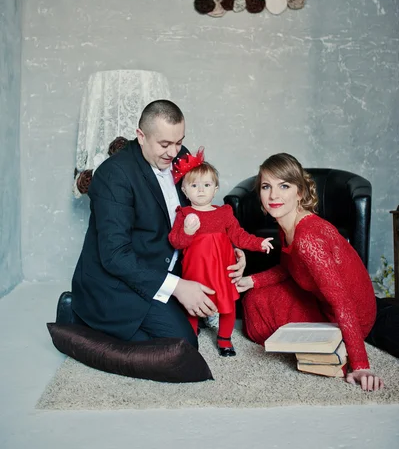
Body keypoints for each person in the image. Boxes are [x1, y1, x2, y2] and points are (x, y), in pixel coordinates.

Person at [71, 100, 245, 349]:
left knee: (229, 305)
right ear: (141, 136)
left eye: (179, 141)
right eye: (164, 144)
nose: (174, 153)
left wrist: (230, 250)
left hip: (170, 264)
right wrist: (178, 287)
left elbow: (200, 211)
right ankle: (76, 315)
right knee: (182, 345)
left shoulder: (181, 157)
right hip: (122, 280)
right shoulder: (113, 175)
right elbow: (115, 256)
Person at [236, 153, 384, 391]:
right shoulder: (287, 224)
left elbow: (343, 301)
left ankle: (338, 346)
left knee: (260, 320)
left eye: (284, 186)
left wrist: (361, 364)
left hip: (351, 315)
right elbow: (287, 269)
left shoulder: (308, 239)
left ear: (300, 192)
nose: (273, 195)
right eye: (266, 186)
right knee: (254, 302)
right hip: (322, 302)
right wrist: (251, 281)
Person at [168, 148, 273, 356]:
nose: (200, 190)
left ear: (215, 189)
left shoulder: (224, 213)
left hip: (221, 270)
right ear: (185, 191)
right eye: (194, 186)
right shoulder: (184, 214)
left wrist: (259, 243)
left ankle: (225, 339)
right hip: (196, 270)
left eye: (206, 185)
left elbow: (238, 235)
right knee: (193, 305)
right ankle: (191, 335)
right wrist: (188, 232)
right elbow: (176, 242)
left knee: (227, 304)